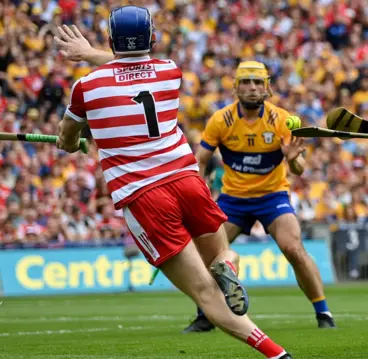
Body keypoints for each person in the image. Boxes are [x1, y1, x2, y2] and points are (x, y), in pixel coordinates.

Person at [54, 7, 292, 359]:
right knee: (222, 254)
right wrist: (91, 54)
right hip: (187, 182)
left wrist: (74, 141)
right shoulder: (169, 72)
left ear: (109, 40)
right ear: (152, 38)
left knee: (206, 294)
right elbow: (131, 68)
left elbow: (67, 138)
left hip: (144, 195)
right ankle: (228, 265)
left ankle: (275, 353)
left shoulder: (86, 87)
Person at [185, 60, 335, 332]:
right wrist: (199, 192)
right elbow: (201, 161)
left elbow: (299, 169)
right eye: (246, 82)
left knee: (293, 248)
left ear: (267, 87)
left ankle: (323, 313)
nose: (252, 88)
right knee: (206, 254)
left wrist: (293, 159)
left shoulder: (282, 119)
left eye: (257, 83)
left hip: (272, 195)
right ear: (236, 87)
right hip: (233, 198)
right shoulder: (221, 120)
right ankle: (205, 316)